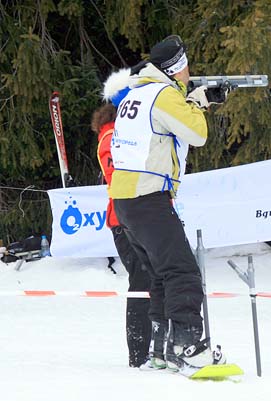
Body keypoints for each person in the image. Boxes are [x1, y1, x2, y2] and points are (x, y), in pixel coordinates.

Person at [108, 35, 227, 373]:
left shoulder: (137, 93)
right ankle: (188, 346)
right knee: (182, 271)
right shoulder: (163, 95)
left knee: (160, 274)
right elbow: (198, 134)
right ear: (176, 68)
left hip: (126, 200)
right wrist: (196, 103)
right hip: (148, 196)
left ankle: (162, 349)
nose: (190, 71)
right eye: (186, 65)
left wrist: (190, 101)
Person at [91, 89, 152, 368]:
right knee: (141, 281)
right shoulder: (111, 136)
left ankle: (148, 350)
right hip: (124, 217)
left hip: (130, 216)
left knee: (149, 280)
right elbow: (119, 174)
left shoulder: (115, 134)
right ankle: (139, 354)